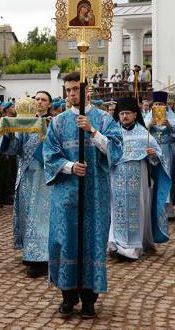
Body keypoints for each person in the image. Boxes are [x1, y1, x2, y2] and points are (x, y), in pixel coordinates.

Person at [43, 71, 122, 318]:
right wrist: (69, 167)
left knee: (92, 243)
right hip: (66, 196)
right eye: (67, 90)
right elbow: (50, 156)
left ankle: (89, 299)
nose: (71, 94)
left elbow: (116, 150)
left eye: (75, 89)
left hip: (94, 196)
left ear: (86, 90)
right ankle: (68, 297)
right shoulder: (57, 122)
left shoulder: (104, 119)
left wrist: (93, 132)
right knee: (65, 242)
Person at [108, 97, 170, 260]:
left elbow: (159, 159)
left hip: (139, 180)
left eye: (128, 113)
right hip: (116, 179)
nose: (124, 117)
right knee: (117, 210)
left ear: (135, 115)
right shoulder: (113, 134)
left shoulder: (145, 134)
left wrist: (153, 155)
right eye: (121, 114)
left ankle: (134, 247)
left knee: (138, 210)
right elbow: (104, 154)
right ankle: (116, 244)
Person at [0, 93, 53, 278]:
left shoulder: (54, 123)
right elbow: (14, 149)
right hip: (26, 178)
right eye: (37, 99)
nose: (39, 102)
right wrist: (8, 135)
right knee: (28, 216)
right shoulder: (22, 124)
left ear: (49, 104)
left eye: (43, 99)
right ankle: (30, 253)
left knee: (42, 217)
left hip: (46, 178)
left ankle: (41, 257)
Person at [144, 92, 175, 213]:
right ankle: (153, 208)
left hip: (167, 150)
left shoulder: (172, 118)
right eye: (156, 104)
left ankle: (166, 210)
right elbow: (140, 132)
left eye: (160, 104)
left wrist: (169, 126)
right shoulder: (147, 117)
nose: (158, 106)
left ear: (165, 105)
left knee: (167, 176)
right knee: (154, 177)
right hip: (153, 151)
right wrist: (148, 125)